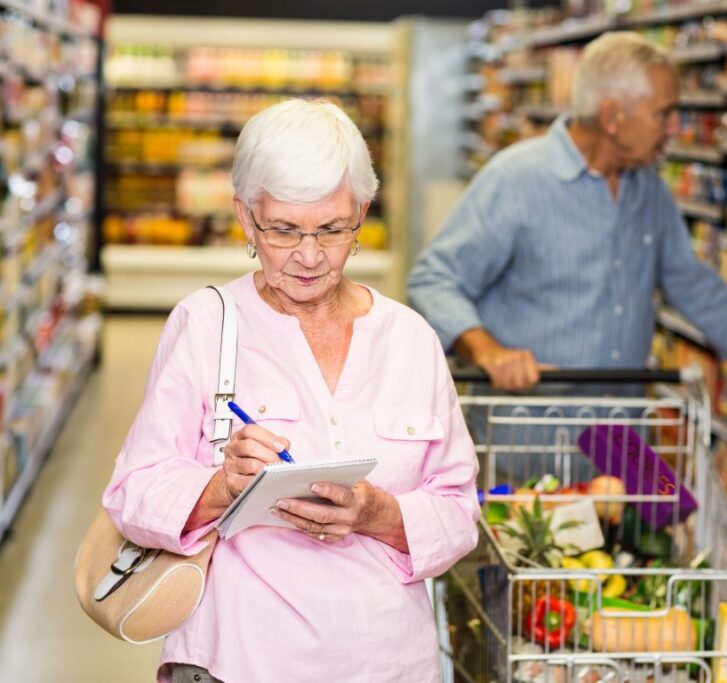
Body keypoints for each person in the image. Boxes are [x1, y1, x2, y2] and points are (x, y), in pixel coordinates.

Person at [102, 99, 480, 682]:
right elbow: (132, 494)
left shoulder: (410, 338)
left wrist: (377, 512)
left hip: (388, 662)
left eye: (332, 229)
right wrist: (221, 487)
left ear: (362, 211)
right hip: (238, 659)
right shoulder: (207, 325)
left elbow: (459, 511)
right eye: (283, 230)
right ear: (246, 217)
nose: (309, 256)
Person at [408, 31, 727, 392]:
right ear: (613, 117)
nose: (675, 128)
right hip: (532, 437)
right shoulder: (518, 180)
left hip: (619, 440)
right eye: (664, 114)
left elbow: (692, 284)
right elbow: (434, 280)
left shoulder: (648, 190)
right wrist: (487, 351)